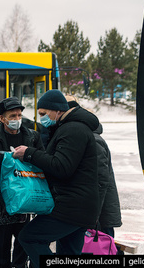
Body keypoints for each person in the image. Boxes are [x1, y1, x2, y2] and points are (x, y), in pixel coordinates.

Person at [13, 90, 99, 265]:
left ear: (58, 110)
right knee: (69, 253)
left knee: (30, 237)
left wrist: (29, 153)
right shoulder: (69, 127)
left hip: (71, 205)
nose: (42, 118)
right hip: (80, 205)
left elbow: (62, 167)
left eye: (44, 113)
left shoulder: (72, 129)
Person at [0, 97, 44, 268]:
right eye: (12, 116)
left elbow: (42, 161)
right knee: (1, 246)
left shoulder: (32, 136)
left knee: (22, 244)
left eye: (19, 115)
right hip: (1, 200)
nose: (17, 119)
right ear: (2, 118)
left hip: (25, 198)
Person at [65, 96, 122, 237]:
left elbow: (101, 180)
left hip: (98, 215)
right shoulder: (87, 137)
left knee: (100, 250)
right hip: (94, 212)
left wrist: (93, 214)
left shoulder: (92, 140)